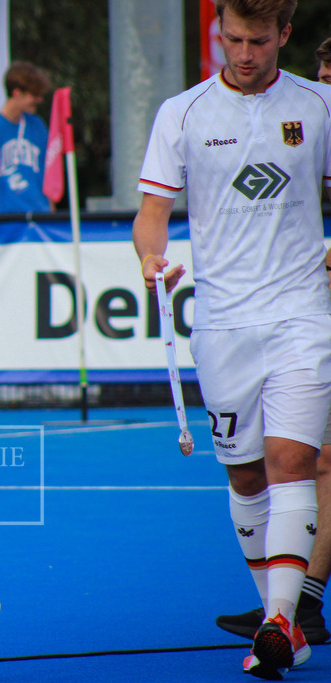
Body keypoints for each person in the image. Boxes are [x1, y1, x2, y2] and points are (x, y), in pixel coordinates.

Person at [132, 0, 331, 677]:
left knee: (291, 459)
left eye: (258, 41)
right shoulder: (181, 113)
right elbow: (152, 213)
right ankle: (280, 622)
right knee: (245, 473)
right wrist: (151, 259)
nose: (244, 54)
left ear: (284, 35)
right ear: (220, 32)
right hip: (220, 322)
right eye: (233, 39)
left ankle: (281, 619)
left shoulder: (320, 105)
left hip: (302, 313)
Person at [211, 33, 331, 653]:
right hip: (257, 316)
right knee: (292, 464)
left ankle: (295, 607)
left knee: (311, 460)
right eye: (324, 71)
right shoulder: (201, 111)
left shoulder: (315, 109)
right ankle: (289, 608)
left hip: (305, 312)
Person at [0, 61, 52, 215]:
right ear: (17, 93)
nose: (39, 100)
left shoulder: (38, 125)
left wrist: (51, 215)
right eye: (34, 95)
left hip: (42, 218)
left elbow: (48, 173)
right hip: (8, 222)